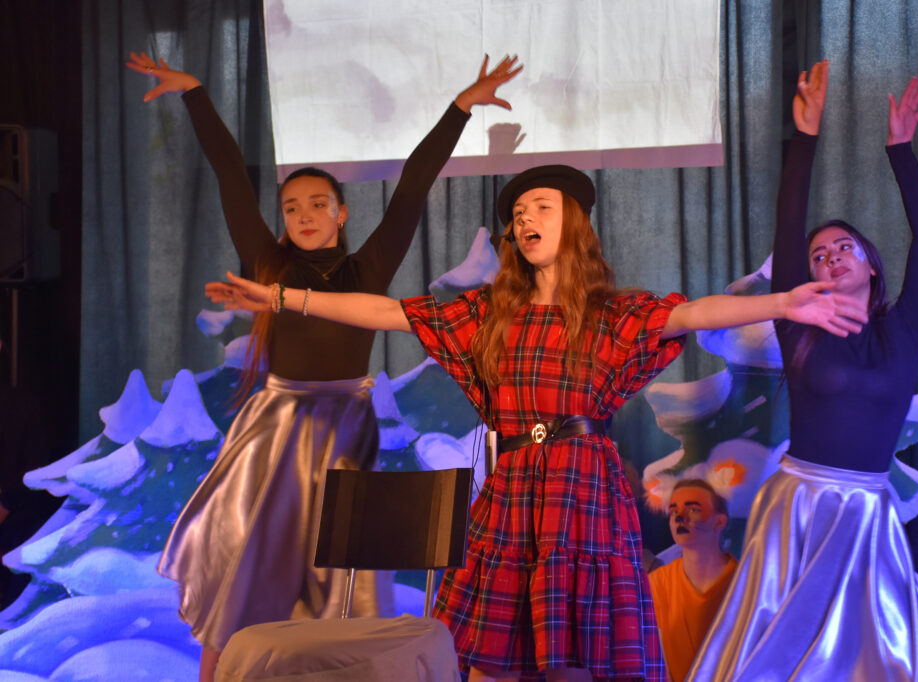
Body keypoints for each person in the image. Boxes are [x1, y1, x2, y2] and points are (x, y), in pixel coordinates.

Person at [207, 163, 867, 681]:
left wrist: (783, 303)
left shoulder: (611, 313)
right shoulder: (490, 313)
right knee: (493, 653)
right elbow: (384, 313)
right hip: (515, 485)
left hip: (581, 487)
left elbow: (691, 314)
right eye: (519, 213)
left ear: (572, 221)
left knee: (574, 653)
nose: (526, 219)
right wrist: (280, 297)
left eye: (541, 208)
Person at [126, 51, 521, 681]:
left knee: (336, 567)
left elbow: (413, 186)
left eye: (317, 204)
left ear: (342, 212)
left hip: (345, 426)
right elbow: (230, 176)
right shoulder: (271, 265)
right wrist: (196, 91)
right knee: (248, 561)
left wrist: (460, 108)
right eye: (291, 207)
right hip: (275, 426)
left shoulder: (368, 269)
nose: (304, 215)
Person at [687, 62, 918, 681]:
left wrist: (901, 150)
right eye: (819, 255)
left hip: (868, 513)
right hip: (799, 507)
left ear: (871, 264)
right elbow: (788, 223)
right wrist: (803, 137)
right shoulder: (799, 326)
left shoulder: (905, 329)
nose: (831, 258)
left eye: (843, 248)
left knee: (867, 660)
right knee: (780, 657)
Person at [648, 480, 737, 682]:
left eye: (693, 510)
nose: (679, 517)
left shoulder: (746, 583)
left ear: (719, 522)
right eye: (673, 511)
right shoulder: (657, 584)